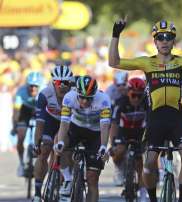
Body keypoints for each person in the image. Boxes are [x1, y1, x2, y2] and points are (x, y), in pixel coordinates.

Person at [109, 17, 182, 202]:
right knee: (149, 162)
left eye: (169, 37)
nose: (164, 40)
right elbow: (114, 62)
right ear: (155, 41)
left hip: (176, 118)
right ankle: (153, 199)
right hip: (155, 119)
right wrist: (116, 34)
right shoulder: (146, 62)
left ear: (173, 41)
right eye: (160, 37)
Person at [53, 75, 111, 202]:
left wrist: (103, 146)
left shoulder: (103, 100)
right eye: (82, 97)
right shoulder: (69, 97)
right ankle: (67, 178)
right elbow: (64, 123)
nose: (84, 101)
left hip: (96, 134)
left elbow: (105, 126)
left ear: (94, 95)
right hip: (75, 129)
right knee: (59, 142)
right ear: (76, 93)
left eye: (88, 98)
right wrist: (61, 142)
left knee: (93, 178)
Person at [32, 64, 73, 202]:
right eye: (57, 82)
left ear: (70, 83)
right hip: (50, 121)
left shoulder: (75, 93)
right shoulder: (45, 94)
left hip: (68, 123)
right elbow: (40, 123)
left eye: (65, 82)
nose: (61, 86)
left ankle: (65, 182)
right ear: (52, 82)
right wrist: (36, 143)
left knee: (67, 150)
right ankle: (37, 193)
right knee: (44, 150)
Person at [109, 77, 147, 201]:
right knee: (118, 150)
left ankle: (142, 194)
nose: (136, 98)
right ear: (128, 92)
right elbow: (114, 124)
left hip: (139, 132)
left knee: (140, 164)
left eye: (139, 96)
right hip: (123, 131)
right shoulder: (120, 102)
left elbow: (152, 124)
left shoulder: (147, 102)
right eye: (133, 95)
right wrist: (113, 142)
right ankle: (119, 169)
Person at [12, 71, 43, 177]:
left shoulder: (43, 91)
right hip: (25, 111)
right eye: (31, 86)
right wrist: (14, 125)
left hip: (39, 109)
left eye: (36, 86)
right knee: (20, 136)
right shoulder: (21, 92)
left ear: (40, 86)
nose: (33, 88)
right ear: (27, 85)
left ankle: (37, 156)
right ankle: (21, 163)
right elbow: (16, 111)